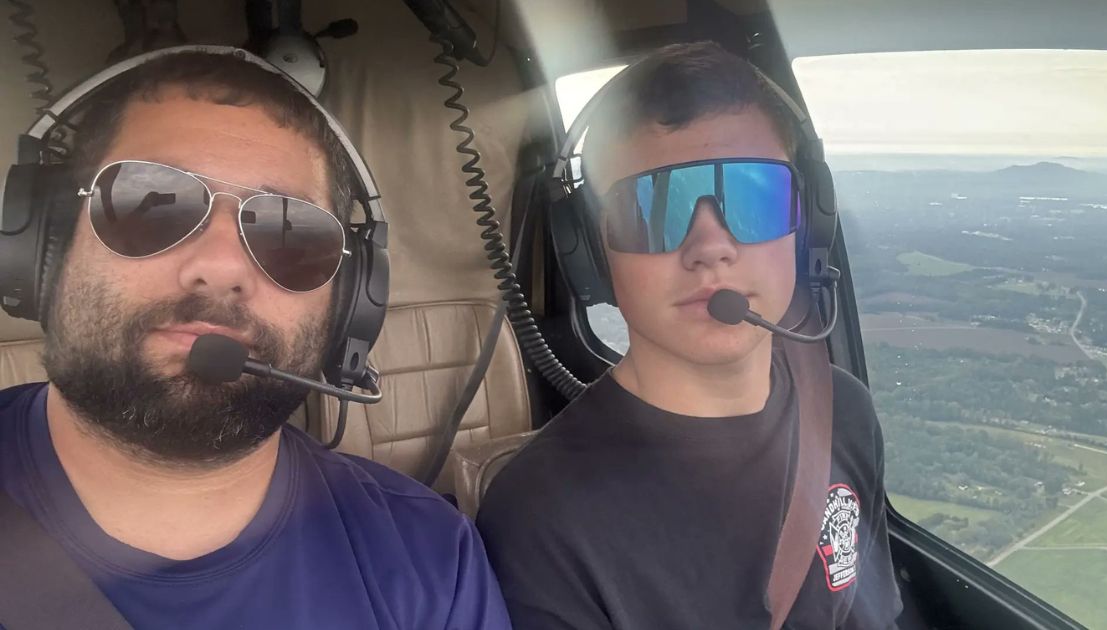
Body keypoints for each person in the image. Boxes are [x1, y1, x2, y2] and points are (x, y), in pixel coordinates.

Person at [0, 49, 510, 629]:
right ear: (44, 246)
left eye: (290, 232)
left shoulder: (432, 560)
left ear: (349, 301)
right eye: (148, 202)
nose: (222, 266)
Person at [477, 42, 902, 629]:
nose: (710, 248)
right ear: (590, 251)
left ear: (810, 222)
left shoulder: (845, 411)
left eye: (751, 197)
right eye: (651, 208)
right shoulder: (539, 517)